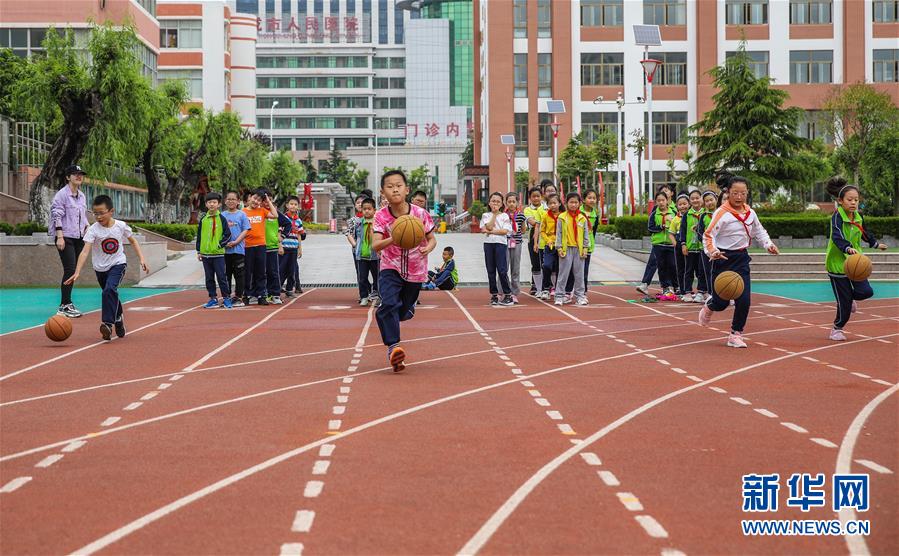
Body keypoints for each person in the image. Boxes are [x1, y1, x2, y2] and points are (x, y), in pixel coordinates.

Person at [699, 176, 779, 348]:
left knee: (744, 300)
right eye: (735, 193)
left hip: (741, 259)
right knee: (722, 303)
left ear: (747, 193)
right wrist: (712, 252)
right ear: (728, 193)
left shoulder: (751, 213)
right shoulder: (721, 213)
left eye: (743, 193)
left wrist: (768, 245)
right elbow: (708, 235)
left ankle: (735, 334)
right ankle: (710, 306)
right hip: (722, 259)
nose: (739, 196)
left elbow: (759, 231)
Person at [372, 170, 437, 372]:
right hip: (390, 268)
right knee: (388, 304)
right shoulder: (381, 216)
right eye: (390, 186)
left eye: (398, 185)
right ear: (383, 192)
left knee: (402, 311)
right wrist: (395, 237)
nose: (395, 189)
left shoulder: (420, 214)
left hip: (416, 270)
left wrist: (429, 247)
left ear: (407, 189)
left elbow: (432, 238)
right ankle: (394, 347)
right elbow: (375, 246)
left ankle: (405, 309)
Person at [63, 195, 149, 340]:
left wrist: (142, 258)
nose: (98, 216)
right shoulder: (93, 230)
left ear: (111, 211)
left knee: (109, 290)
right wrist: (77, 272)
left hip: (118, 264)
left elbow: (133, 241)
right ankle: (118, 319)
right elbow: (85, 251)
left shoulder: (120, 226)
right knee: (110, 293)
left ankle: (107, 324)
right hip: (100, 269)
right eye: (95, 213)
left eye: (101, 213)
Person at [824, 177, 887, 341]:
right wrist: (846, 247)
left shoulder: (858, 216)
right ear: (840, 201)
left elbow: (864, 233)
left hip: (855, 261)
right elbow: (837, 236)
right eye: (849, 199)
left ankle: (849, 298)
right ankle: (836, 329)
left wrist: (875, 244)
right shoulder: (837, 217)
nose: (853, 203)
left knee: (866, 291)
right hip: (838, 264)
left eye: (856, 200)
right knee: (844, 304)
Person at [50, 164, 90, 318]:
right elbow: (57, 215)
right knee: (70, 269)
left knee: (73, 271)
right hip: (65, 237)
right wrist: (60, 237)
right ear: (68, 177)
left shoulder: (81, 195)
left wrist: (88, 227)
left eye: (80, 174)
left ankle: (67, 303)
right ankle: (64, 305)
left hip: (79, 237)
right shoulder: (62, 195)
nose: (78, 176)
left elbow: (83, 215)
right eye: (74, 174)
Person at [636, 184, 675, 295]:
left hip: (671, 243)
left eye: (666, 191)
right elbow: (651, 227)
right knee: (656, 264)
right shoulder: (655, 212)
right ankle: (646, 284)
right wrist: (662, 226)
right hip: (658, 243)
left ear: (670, 195)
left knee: (671, 265)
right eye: (659, 200)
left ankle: (673, 286)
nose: (661, 202)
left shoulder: (675, 209)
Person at [196, 192, 233, 308]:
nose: (212, 204)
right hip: (206, 255)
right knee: (209, 278)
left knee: (222, 277)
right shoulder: (203, 219)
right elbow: (199, 236)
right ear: (206, 204)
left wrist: (219, 245)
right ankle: (213, 298)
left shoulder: (222, 218)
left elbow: (228, 234)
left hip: (218, 255)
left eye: (214, 202)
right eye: (209, 202)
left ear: (219, 204)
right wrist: (199, 251)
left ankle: (226, 298)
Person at [242, 190, 277, 305]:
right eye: (255, 198)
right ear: (250, 197)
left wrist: (267, 201)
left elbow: (275, 215)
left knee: (261, 272)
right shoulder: (242, 212)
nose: (256, 201)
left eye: (259, 200)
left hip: (261, 246)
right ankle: (246, 294)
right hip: (247, 246)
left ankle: (261, 295)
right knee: (248, 272)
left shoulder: (262, 211)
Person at [554, 192, 590, 306]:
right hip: (566, 249)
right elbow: (558, 233)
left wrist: (585, 248)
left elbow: (586, 235)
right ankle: (559, 295)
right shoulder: (562, 217)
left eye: (576, 202)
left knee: (579, 274)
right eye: (571, 202)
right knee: (563, 274)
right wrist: (559, 247)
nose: (573, 205)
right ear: (566, 203)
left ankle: (580, 296)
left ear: (579, 203)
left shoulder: (582, 218)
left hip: (578, 250)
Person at [482, 192, 514, 306]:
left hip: (501, 244)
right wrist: (494, 215)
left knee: (502, 270)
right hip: (488, 244)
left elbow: (504, 231)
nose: (495, 203)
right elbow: (488, 226)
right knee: (490, 270)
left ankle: (508, 294)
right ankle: (494, 295)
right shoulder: (486, 215)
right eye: (493, 201)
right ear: (489, 202)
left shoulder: (505, 216)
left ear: (502, 204)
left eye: (498, 201)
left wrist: (490, 232)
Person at [679, 189, 707, 303]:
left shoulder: (705, 213)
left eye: (697, 198)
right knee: (688, 271)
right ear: (690, 201)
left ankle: (702, 291)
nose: (695, 200)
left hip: (702, 248)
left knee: (702, 271)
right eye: (692, 199)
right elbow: (682, 230)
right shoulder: (686, 215)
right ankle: (687, 292)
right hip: (690, 248)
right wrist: (683, 244)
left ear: (701, 199)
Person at [223, 191, 250, 307]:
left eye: (233, 199)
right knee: (226, 275)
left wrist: (236, 242)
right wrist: (224, 243)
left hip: (238, 250)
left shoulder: (242, 214)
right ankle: (227, 296)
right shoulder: (222, 215)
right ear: (225, 201)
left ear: (238, 201)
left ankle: (239, 297)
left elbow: (246, 230)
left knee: (239, 275)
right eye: (228, 199)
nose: (231, 201)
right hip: (224, 251)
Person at [351, 197, 380, 306]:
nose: (367, 211)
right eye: (364, 209)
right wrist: (355, 246)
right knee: (362, 278)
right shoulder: (358, 223)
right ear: (361, 210)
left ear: (374, 210)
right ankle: (364, 296)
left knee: (377, 277)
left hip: (375, 255)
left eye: (369, 209)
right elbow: (353, 235)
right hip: (361, 255)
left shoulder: (377, 223)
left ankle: (377, 295)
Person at [279, 195, 306, 298]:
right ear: (287, 205)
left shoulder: (298, 221)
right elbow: (279, 232)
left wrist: (300, 249)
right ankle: (277, 288)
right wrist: (280, 245)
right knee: (281, 269)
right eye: (291, 204)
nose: (293, 206)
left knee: (292, 270)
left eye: (295, 204)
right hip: (284, 248)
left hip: (293, 249)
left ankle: (289, 290)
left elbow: (299, 234)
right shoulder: (283, 218)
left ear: (298, 206)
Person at [535, 193, 561, 299]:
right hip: (549, 246)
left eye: (555, 203)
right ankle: (546, 289)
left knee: (560, 268)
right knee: (546, 266)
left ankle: (559, 289)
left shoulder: (563, 216)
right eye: (550, 203)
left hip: (561, 245)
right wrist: (548, 240)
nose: (553, 205)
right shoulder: (546, 216)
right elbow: (542, 231)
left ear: (559, 204)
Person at [505, 192, 526, 304]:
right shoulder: (503, 215)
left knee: (515, 269)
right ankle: (502, 291)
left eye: (514, 201)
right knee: (504, 268)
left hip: (517, 243)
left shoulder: (521, 215)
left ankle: (514, 293)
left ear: (517, 203)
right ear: (506, 203)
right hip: (505, 243)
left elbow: (523, 230)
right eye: (509, 202)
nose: (512, 204)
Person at [523, 187, 545, 296]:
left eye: (538, 196)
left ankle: (547, 286)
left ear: (542, 197)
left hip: (547, 236)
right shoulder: (527, 210)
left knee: (546, 263)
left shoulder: (546, 207)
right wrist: (541, 222)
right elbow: (532, 222)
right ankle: (536, 286)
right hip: (533, 236)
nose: (536, 198)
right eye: (533, 196)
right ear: (530, 198)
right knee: (535, 262)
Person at [670, 193, 691, 297]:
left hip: (690, 245)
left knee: (690, 269)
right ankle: (682, 290)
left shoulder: (691, 217)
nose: (683, 206)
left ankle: (689, 289)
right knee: (681, 268)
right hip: (679, 246)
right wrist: (676, 244)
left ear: (689, 204)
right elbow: (671, 233)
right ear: (677, 206)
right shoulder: (675, 219)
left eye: (685, 204)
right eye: (680, 204)